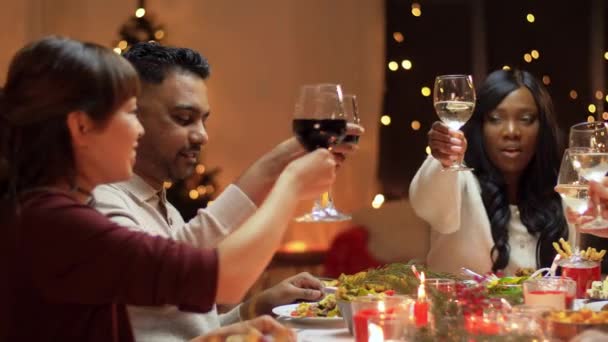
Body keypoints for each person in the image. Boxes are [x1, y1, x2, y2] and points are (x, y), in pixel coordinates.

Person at [0, 36, 336, 341]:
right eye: (131, 113)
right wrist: (291, 185)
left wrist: (251, 311)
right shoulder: (58, 221)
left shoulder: (49, 211)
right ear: (81, 126)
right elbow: (225, 277)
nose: (137, 130)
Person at [91, 42, 362, 341]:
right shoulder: (101, 203)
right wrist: (287, 179)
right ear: (130, 114)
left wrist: (257, 308)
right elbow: (183, 272)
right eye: (183, 119)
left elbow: (189, 330)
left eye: (203, 120)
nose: (202, 136)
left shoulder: (164, 208)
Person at [409, 69, 569, 275]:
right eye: (495, 118)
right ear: (480, 126)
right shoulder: (458, 180)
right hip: (457, 307)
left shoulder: (562, 193)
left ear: (542, 128)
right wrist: (444, 159)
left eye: (526, 119)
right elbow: (426, 204)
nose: (511, 131)